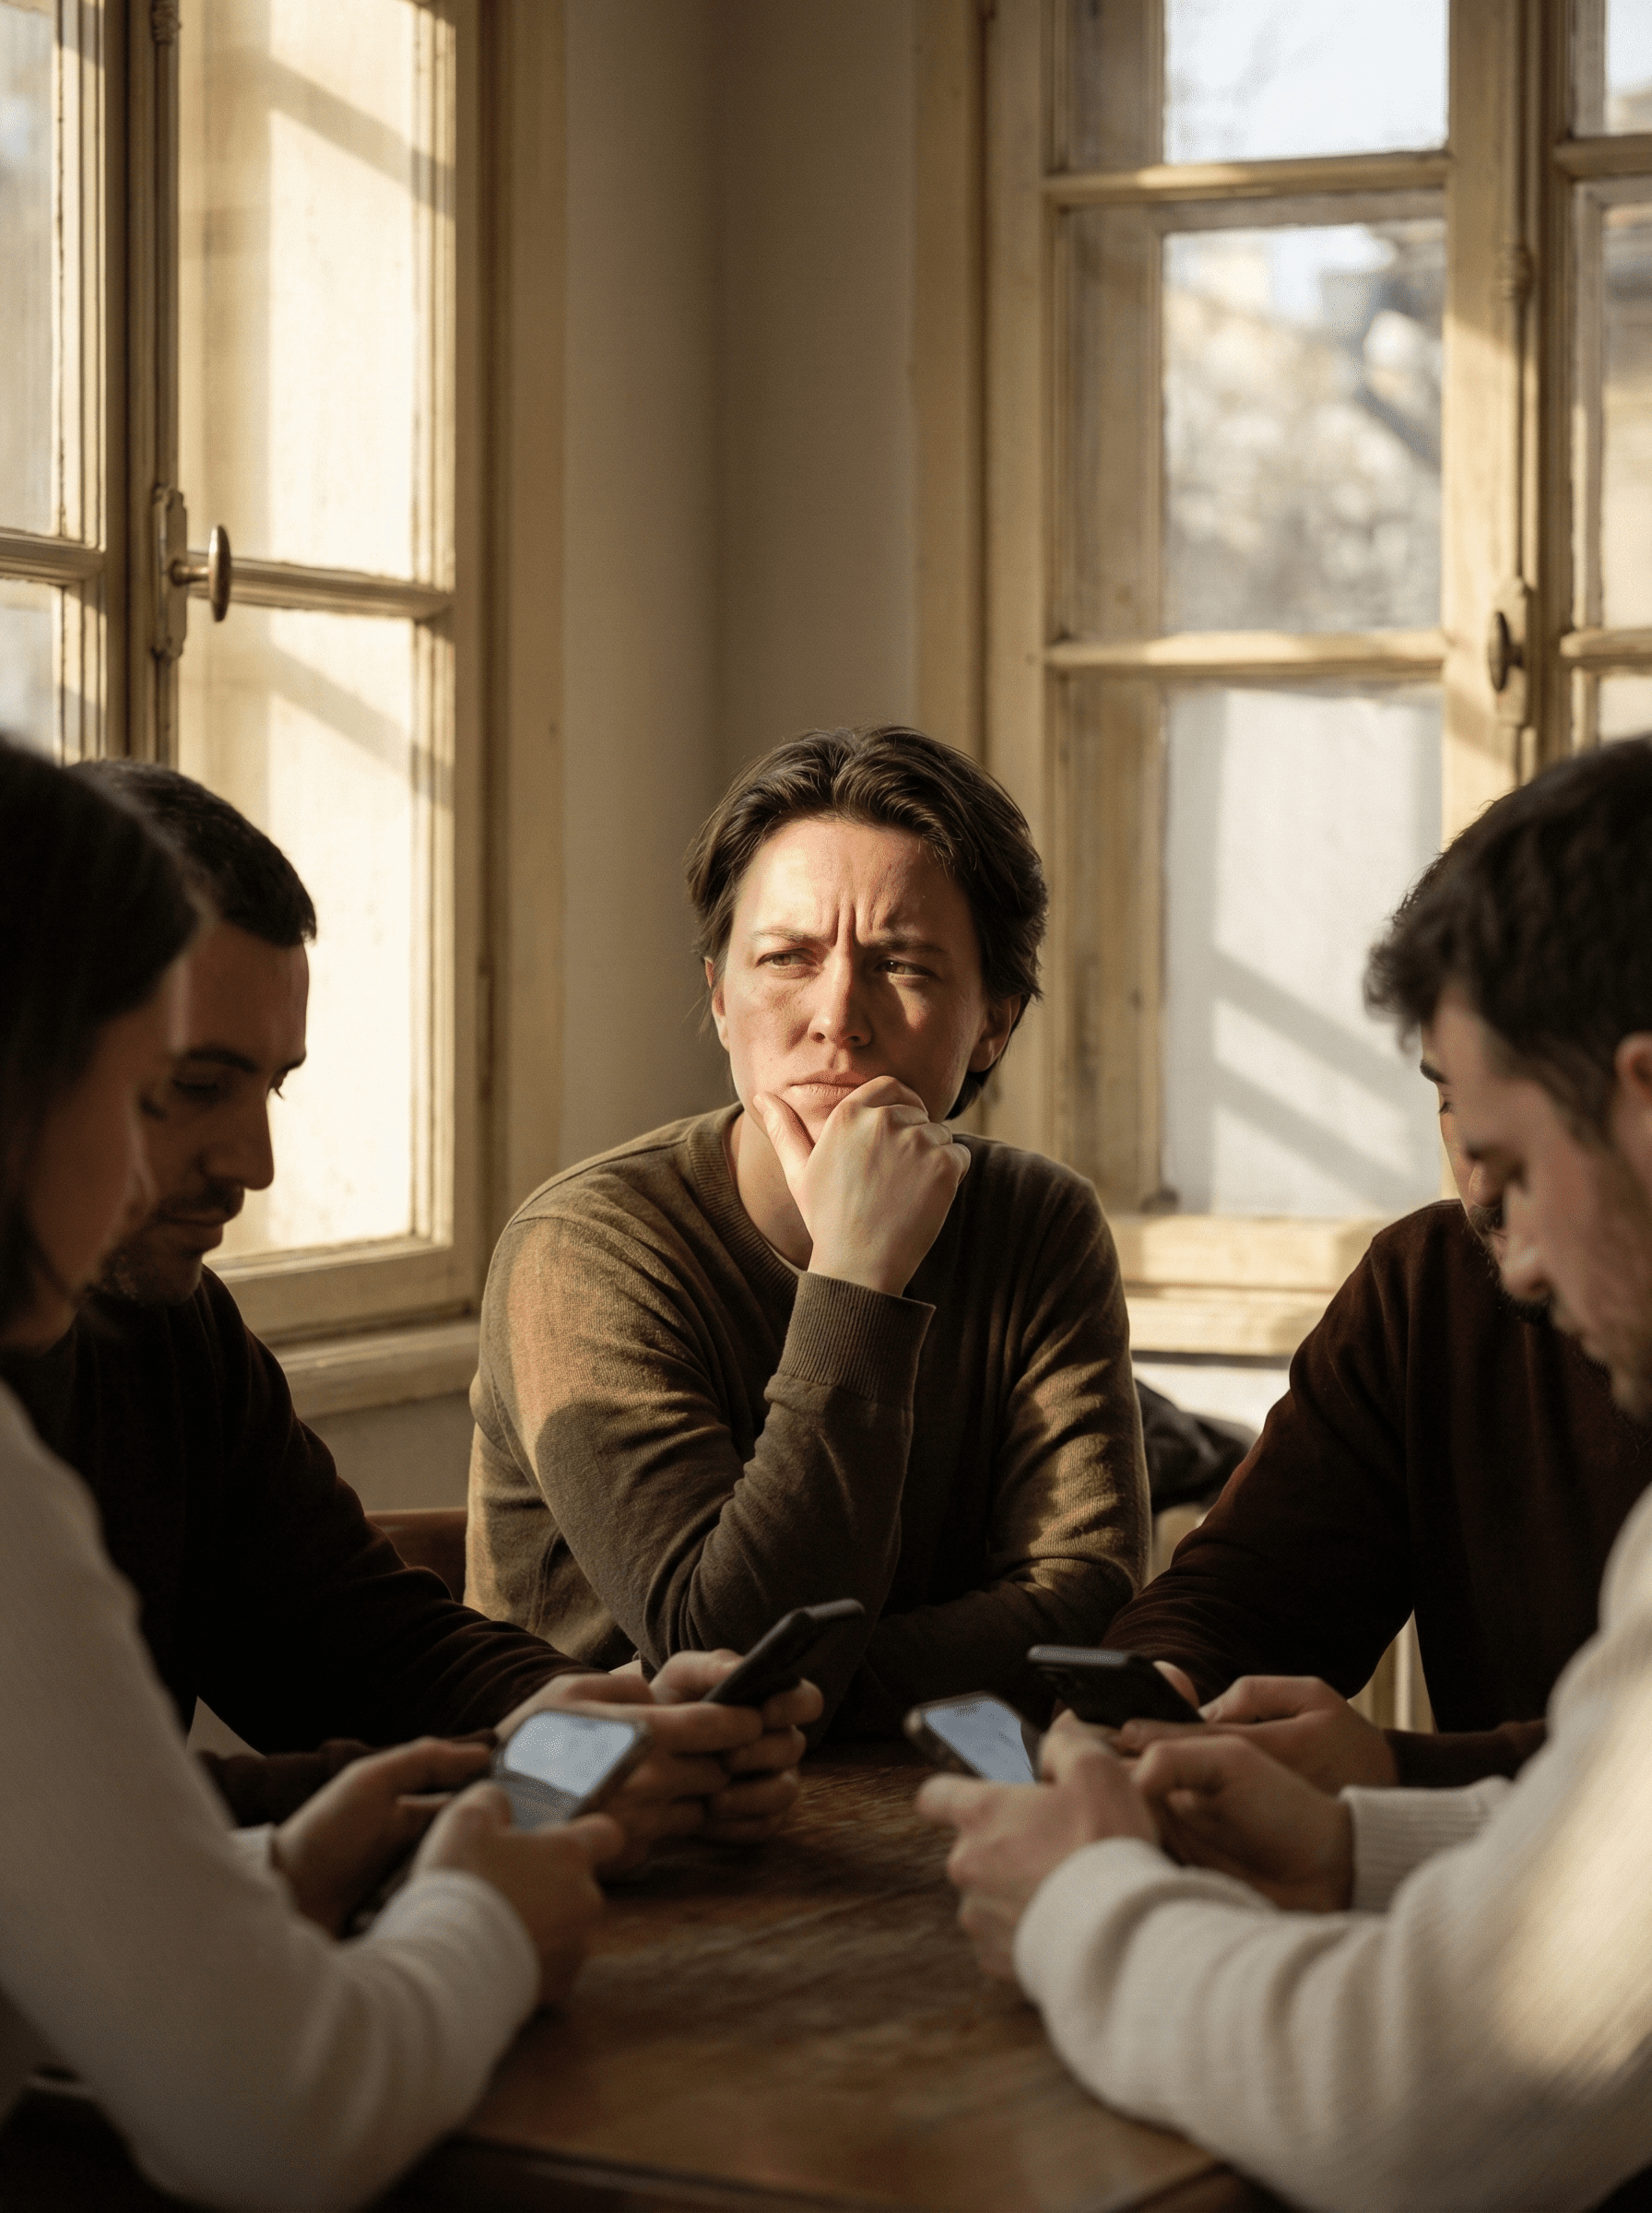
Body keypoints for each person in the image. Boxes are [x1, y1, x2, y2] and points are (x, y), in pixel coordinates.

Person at [920, 736, 1652, 2213]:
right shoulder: (1429, 1296)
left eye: (1510, 1158)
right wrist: (1362, 1843)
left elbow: (1427, 2104)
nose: (1484, 1215)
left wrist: (1087, 1910)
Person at [0, 735, 614, 2207]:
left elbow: (328, 1625)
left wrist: (559, 1721)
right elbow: (289, 2124)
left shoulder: (169, 1338)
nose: (235, 1166)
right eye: (161, 1084)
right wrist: (473, 1908)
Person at [0, 760, 814, 1850]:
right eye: (189, 1087)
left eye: (272, 1086)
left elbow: (354, 1637)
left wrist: (591, 1716)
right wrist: (502, 1781)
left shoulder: (173, 1331)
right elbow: (66, 1834)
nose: (255, 1163)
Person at [466, 726, 1149, 1734]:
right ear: (720, 999)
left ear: (994, 1021)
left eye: (903, 965)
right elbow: (722, 1641)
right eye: (786, 958)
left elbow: (1091, 1603)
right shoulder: (585, 1248)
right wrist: (858, 1279)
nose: (839, 1015)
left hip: (936, 1806)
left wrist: (810, 1687)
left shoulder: (1037, 1221)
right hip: (605, 1825)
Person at [1102, 1035, 1649, 1792]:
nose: (1479, 1179)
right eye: (1450, 1100)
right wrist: (1150, 1697)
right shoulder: (1427, 1287)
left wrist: (1393, 1779)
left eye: (1511, 1107)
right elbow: (1246, 1590)